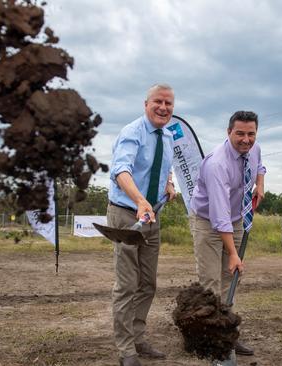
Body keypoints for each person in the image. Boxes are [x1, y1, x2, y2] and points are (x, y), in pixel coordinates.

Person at [107, 83, 177, 366]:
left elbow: (161, 166)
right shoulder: (132, 132)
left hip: (151, 217)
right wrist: (139, 201)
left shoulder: (168, 135)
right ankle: (126, 351)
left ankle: (137, 336)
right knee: (127, 284)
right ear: (146, 104)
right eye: (158, 102)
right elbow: (120, 170)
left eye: (169, 104)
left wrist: (169, 182)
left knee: (148, 283)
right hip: (127, 214)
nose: (163, 108)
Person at [189, 110, 266, 358]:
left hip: (236, 218)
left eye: (251, 133)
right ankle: (208, 340)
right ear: (228, 132)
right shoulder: (216, 164)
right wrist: (233, 253)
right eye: (239, 133)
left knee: (230, 280)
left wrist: (260, 185)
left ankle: (227, 335)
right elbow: (219, 215)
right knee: (210, 284)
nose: (246, 139)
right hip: (208, 221)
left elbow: (260, 165)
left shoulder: (254, 148)